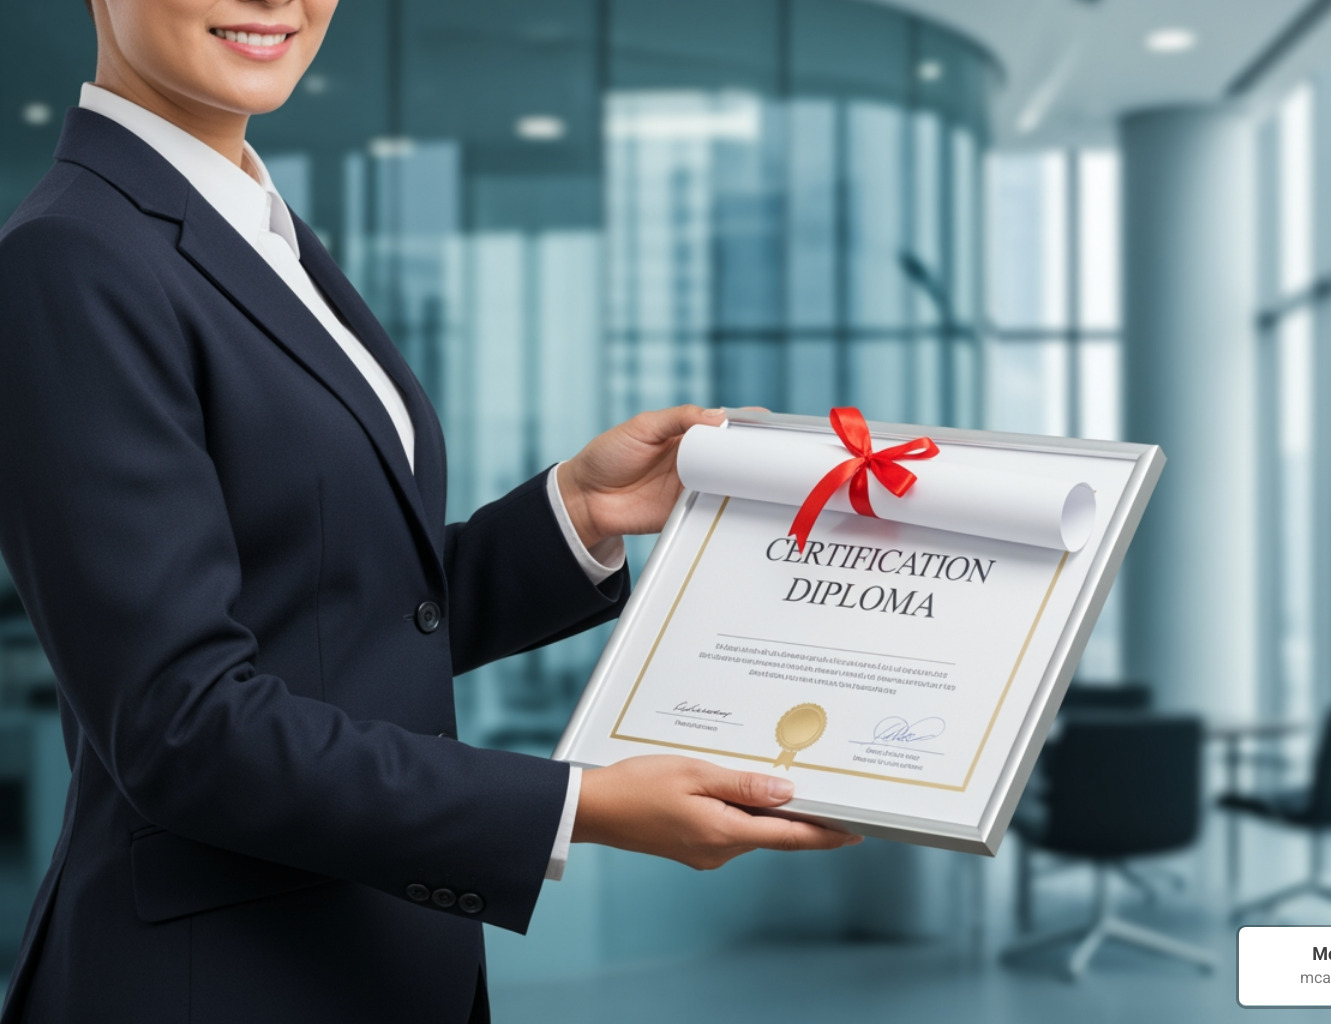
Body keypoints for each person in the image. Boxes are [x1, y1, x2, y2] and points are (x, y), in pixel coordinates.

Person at [0, 1, 859, 1020]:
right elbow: (182, 726)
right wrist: (574, 806)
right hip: (222, 978)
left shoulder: (253, 224)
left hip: (364, 950)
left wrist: (575, 513)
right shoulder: (74, 252)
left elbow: (326, 614)